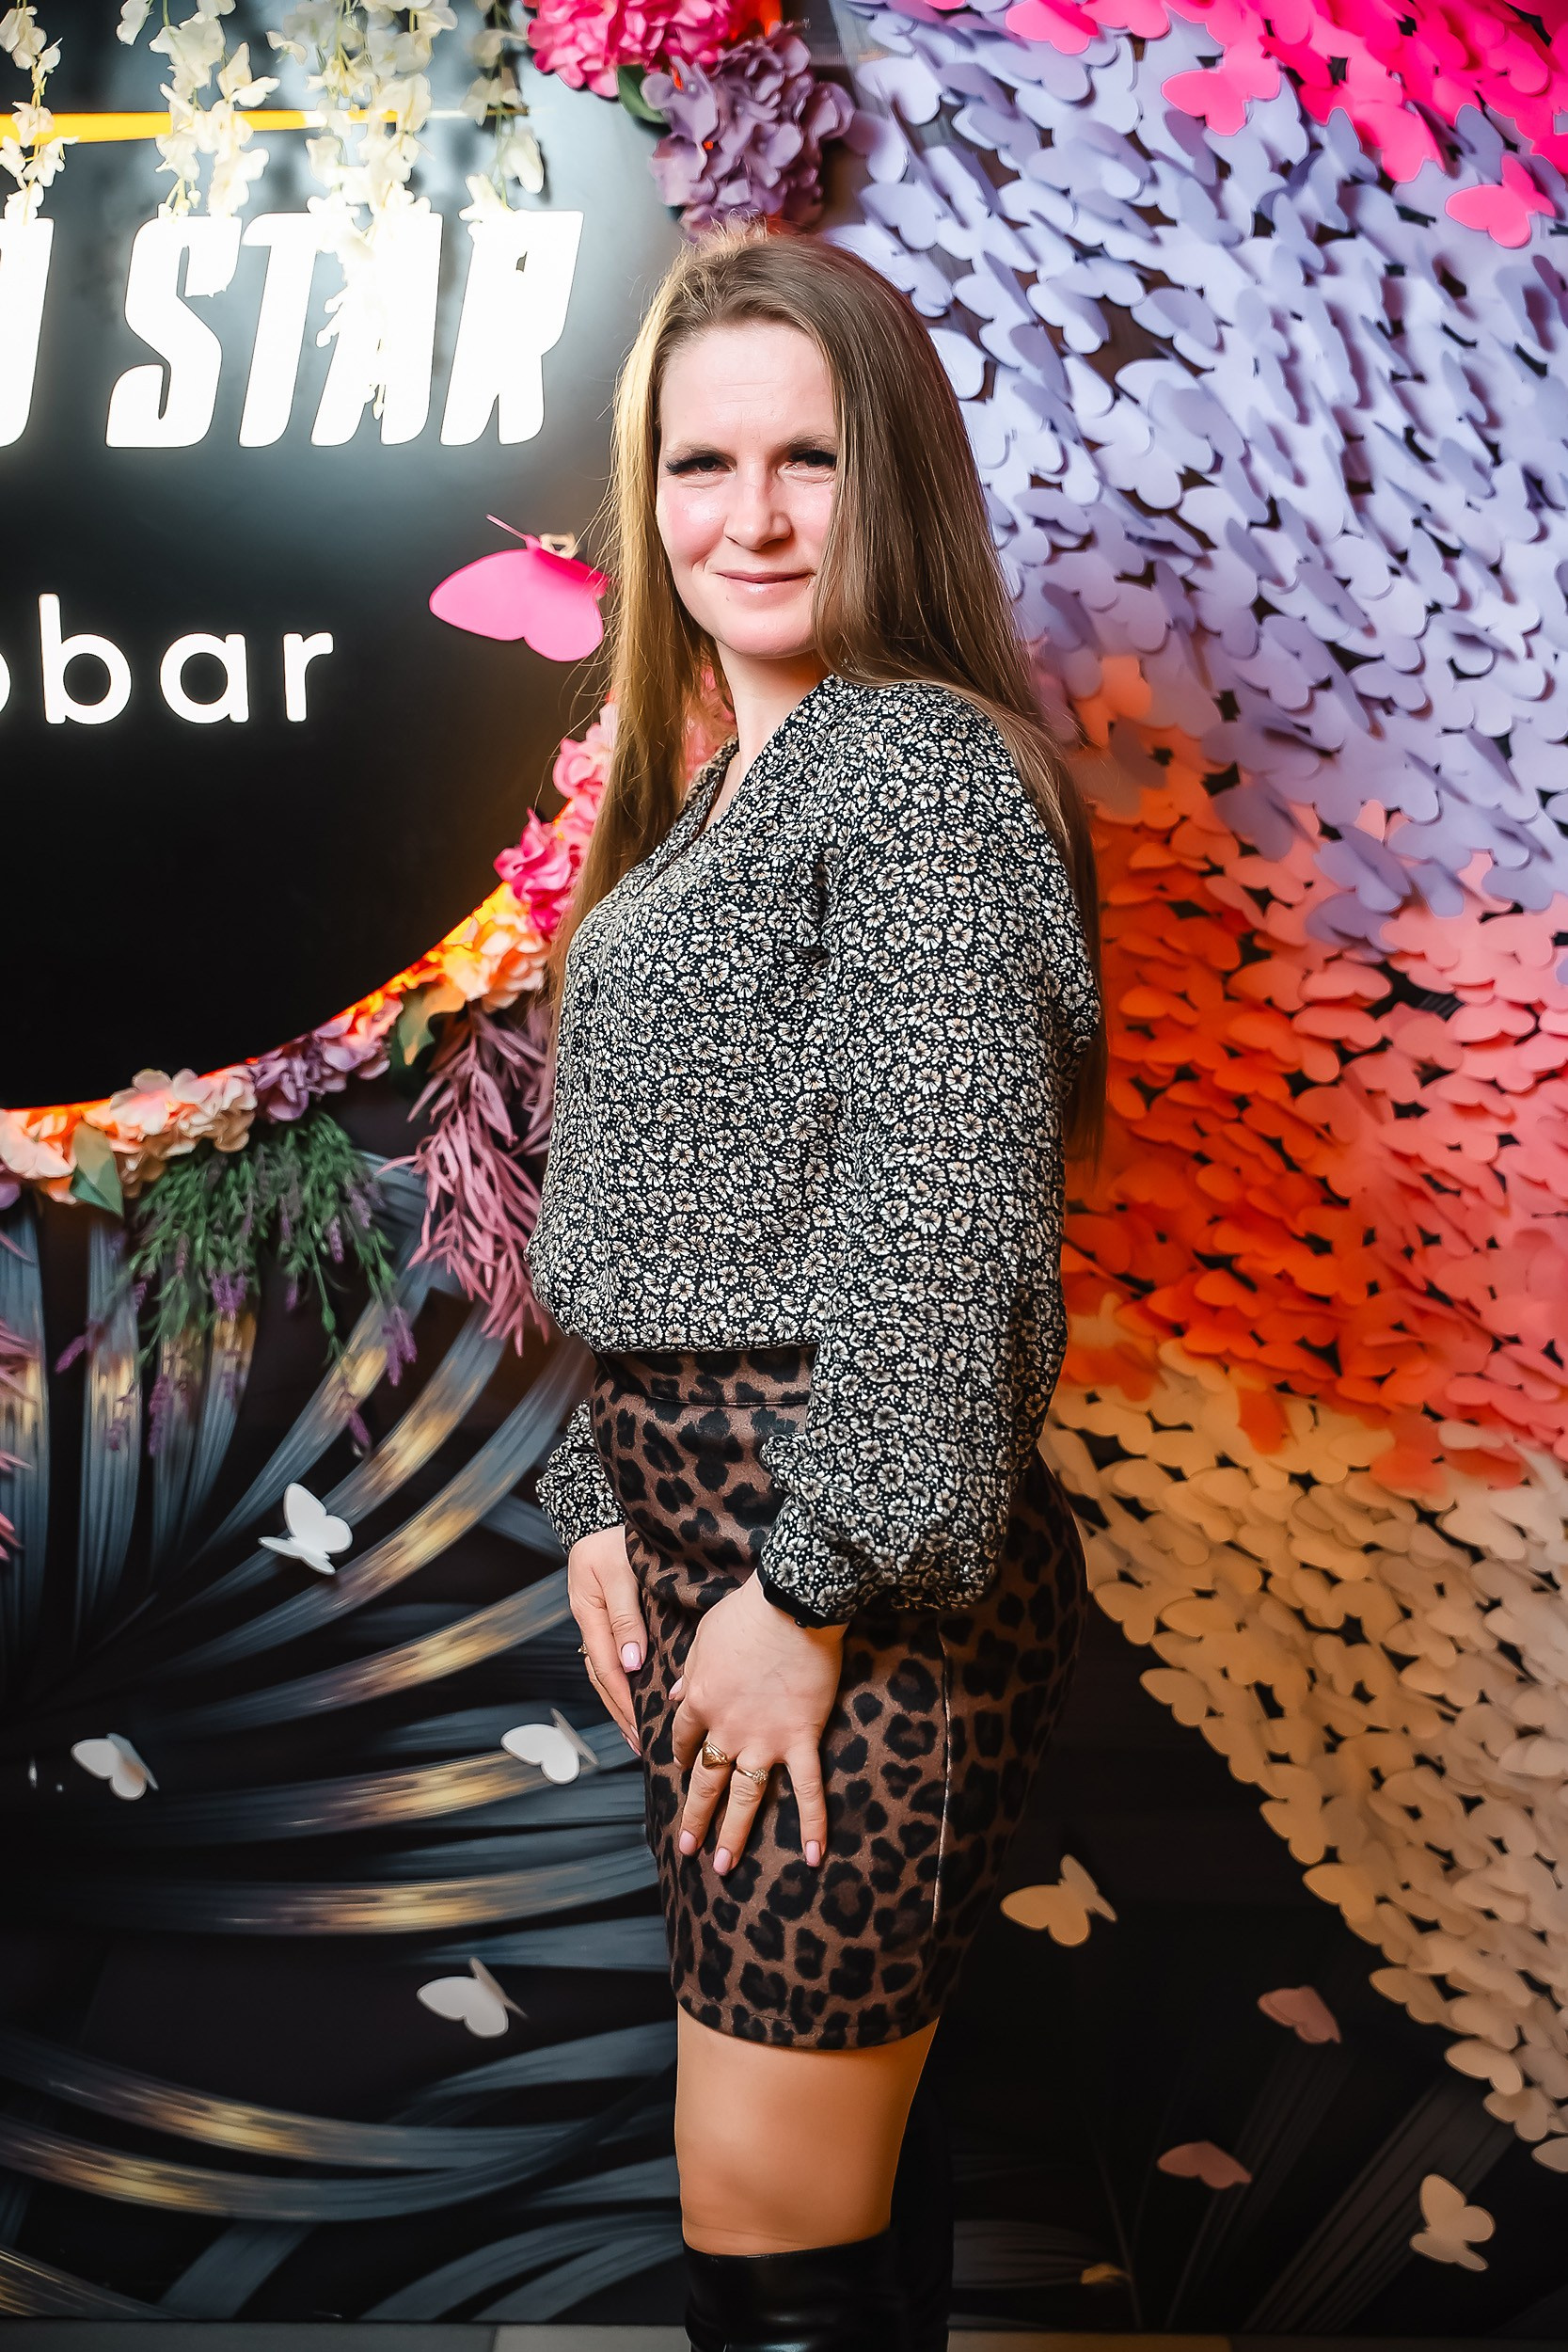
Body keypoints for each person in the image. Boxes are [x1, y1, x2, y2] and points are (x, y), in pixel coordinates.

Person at [524, 224, 1104, 2352]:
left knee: (772, 2236)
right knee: (843, 2197)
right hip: (734, 1552)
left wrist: (807, 1591)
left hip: (842, 1578)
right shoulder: (739, 785)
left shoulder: (911, 767)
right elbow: (688, 1208)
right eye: (702, 463)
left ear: (897, 482)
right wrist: (610, 1497)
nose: (750, 517)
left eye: (810, 459)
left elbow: (947, 1222)